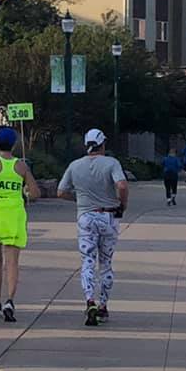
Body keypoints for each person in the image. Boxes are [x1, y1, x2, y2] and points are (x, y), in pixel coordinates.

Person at [58, 128, 128, 326]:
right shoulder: (111, 163)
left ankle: (90, 301)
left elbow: (61, 191)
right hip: (108, 215)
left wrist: (79, 200)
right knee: (106, 262)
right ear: (103, 145)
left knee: (87, 261)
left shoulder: (74, 166)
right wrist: (122, 204)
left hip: (86, 217)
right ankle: (104, 306)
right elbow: (122, 185)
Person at [0, 126, 40, 322]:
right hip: (14, 212)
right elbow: (35, 193)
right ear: (14, 145)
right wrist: (25, 193)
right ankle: (10, 300)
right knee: (12, 260)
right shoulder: (21, 166)